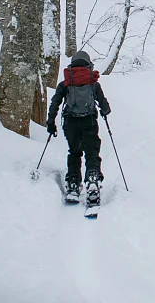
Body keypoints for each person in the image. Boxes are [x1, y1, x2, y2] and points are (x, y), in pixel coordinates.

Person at [46, 51, 111, 206]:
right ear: (88, 64)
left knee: (74, 152)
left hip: (71, 123)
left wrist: (50, 122)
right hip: (89, 121)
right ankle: (93, 179)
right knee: (92, 152)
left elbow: (55, 103)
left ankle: (73, 184)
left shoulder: (66, 83)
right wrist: (104, 111)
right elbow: (105, 106)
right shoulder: (93, 82)